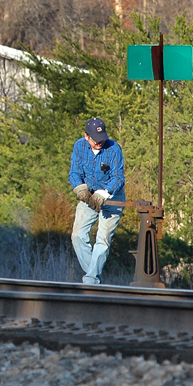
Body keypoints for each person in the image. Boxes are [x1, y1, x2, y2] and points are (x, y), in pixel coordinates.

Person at [69, 117, 125, 284]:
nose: (100, 143)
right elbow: (74, 172)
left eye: (102, 139)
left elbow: (118, 178)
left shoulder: (114, 148)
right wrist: (79, 188)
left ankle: (91, 279)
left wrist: (105, 192)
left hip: (112, 198)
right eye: (95, 139)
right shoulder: (79, 146)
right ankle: (93, 274)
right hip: (89, 196)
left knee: (103, 239)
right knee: (77, 236)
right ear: (86, 136)